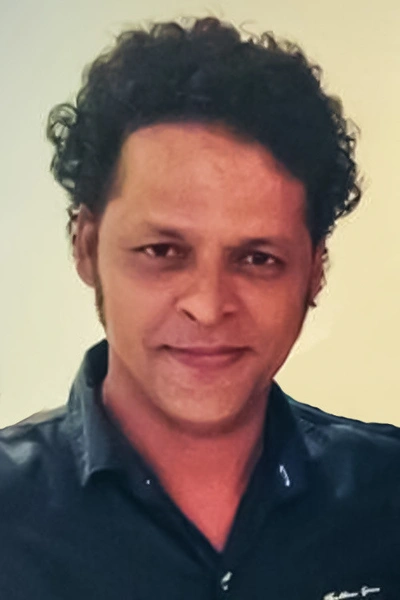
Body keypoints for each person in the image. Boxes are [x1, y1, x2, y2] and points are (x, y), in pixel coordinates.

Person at [0, 16, 399, 600]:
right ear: (86, 247)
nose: (209, 307)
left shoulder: (387, 496)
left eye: (258, 258)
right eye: (163, 251)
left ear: (314, 272)